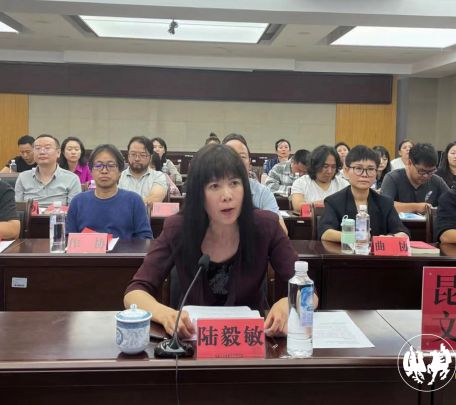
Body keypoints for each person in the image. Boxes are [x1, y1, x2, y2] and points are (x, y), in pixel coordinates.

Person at [124, 143, 316, 337]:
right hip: (193, 338)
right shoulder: (178, 228)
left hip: (250, 339)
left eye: (234, 183)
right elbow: (134, 293)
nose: (227, 196)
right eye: (214, 186)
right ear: (198, 193)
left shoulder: (265, 226)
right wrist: (165, 314)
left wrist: (287, 303)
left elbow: (310, 294)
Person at [320, 146, 408, 242]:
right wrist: (356, 237)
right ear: (346, 171)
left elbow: (403, 232)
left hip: (377, 251)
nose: (364, 174)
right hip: (345, 251)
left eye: (370, 169)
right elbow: (325, 232)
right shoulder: (333, 201)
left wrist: (389, 238)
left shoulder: (385, 203)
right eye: (358, 168)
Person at [66, 144, 153, 240]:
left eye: (110, 165)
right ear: (91, 171)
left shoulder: (134, 201)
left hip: (123, 250)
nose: (104, 171)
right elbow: (69, 238)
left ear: (120, 171)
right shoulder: (78, 202)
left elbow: (145, 239)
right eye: (98, 165)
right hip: (87, 250)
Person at [380, 143, 450, 214]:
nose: (426, 176)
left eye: (431, 171)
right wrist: (416, 207)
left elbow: (452, 202)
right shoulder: (392, 178)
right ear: (410, 163)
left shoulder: (436, 181)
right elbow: (384, 205)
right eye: (422, 171)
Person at [14, 134, 81, 206]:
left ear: (58, 153)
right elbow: (17, 208)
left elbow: (74, 210)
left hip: (59, 213)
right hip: (29, 214)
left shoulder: (72, 179)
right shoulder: (23, 177)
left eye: (47, 148)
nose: (42, 152)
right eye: (38, 148)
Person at [290, 145, 349, 214]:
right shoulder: (301, 182)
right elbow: (297, 206)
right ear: (315, 165)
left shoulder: (343, 184)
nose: (329, 171)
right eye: (325, 166)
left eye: (333, 167)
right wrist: (326, 203)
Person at [118, 136, 168, 206]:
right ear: (128, 156)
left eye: (142, 155)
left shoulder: (158, 176)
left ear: (150, 157)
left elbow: (153, 200)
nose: (137, 159)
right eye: (133, 154)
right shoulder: (119, 176)